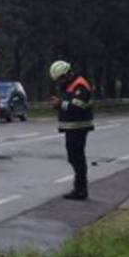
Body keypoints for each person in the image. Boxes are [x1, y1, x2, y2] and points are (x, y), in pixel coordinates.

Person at [49, 60, 94, 200]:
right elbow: (70, 103)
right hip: (72, 127)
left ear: (67, 74)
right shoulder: (69, 85)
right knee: (73, 157)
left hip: (79, 127)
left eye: (60, 79)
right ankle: (79, 188)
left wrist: (60, 104)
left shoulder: (80, 85)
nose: (59, 82)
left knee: (77, 158)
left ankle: (81, 190)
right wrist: (59, 104)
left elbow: (78, 106)